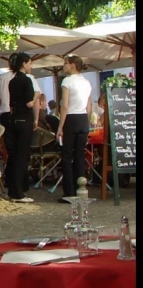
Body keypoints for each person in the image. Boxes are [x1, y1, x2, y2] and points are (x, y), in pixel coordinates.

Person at [0, 53, 40, 188]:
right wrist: (36, 118)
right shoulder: (28, 79)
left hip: (7, 115)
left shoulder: (3, 78)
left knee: (12, 151)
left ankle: (11, 180)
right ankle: (21, 181)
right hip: (23, 115)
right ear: (23, 63)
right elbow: (33, 102)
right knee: (22, 151)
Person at [57, 55, 92, 203]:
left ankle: (69, 192)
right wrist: (87, 122)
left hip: (71, 118)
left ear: (72, 65)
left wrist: (60, 126)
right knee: (79, 156)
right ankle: (81, 190)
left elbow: (64, 106)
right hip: (83, 118)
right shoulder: (87, 82)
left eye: (65, 64)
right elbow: (89, 106)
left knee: (66, 156)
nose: (63, 66)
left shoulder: (67, 81)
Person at [6, 52, 37, 203]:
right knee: (22, 156)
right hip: (25, 119)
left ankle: (13, 189)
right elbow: (29, 103)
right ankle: (18, 192)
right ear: (24, 64)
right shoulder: (26, 81)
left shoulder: (12, 82)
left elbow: (12, 105)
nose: (31, 66)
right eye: (30, 63)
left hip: (14, 119)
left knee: (14, 155)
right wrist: (37, 95)